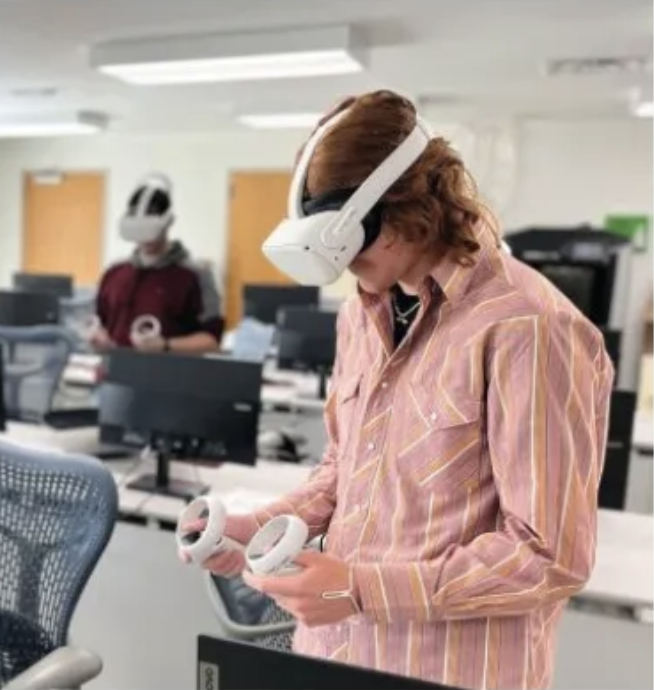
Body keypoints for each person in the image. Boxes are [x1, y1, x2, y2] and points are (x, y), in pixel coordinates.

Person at [186, 91, 612, 690]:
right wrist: (259, 528)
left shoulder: (531, 327)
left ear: (409, 205)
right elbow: (343, 472)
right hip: (337, 655)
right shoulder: (361, 314)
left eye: (350, 236)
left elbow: (550, 556)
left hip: (449, 670)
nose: (342, 261)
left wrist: (356, 590)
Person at [90, 173, 224, 354]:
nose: (145, 240)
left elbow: (211, 341)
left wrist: (165, 346)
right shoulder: (114, 273)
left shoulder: (194, 275)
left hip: (168, 376)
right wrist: (98, 337)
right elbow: (100, 324)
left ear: (167, 222)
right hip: (114, 374)